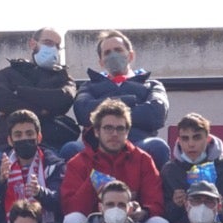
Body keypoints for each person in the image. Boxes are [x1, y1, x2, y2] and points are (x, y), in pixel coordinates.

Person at [60, 99, 168, 223]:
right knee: (72, 219)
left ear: (127, 132)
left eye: (120, 129)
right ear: (97, 131)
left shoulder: (143, 159)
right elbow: (70, 208)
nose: (114, 134)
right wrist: (92, 184)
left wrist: (143, 212)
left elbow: (156, 202)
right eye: (108, 128)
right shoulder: (78, 162)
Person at [66, 31, 171, 166]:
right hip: (97, 148)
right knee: (70, 149)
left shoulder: (151, 85)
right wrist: (130, 101)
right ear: (101, 62)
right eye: (107, 52)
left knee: (158, 146)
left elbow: (156, 113)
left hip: (139, 145)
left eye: (118, 50)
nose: (113, 55)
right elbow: (83, 112)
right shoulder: (89, 86)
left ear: (131, 55)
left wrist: (104, 111)